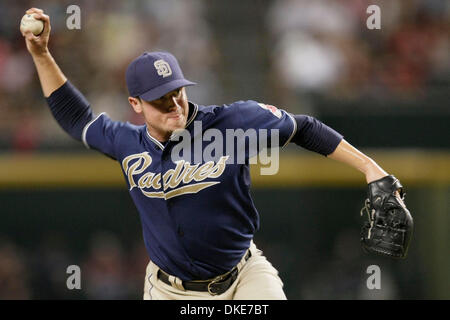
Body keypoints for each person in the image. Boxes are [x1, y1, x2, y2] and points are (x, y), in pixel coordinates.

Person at [21, 8, 404, 300]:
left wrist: (371, 169)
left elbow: (304, 128)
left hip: (243, 279)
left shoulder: (232, 122)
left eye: (177, 92)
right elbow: (76, 118)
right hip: (169, 290)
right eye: (160, 100)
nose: (174, 104)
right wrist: (40, 54)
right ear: (135, 104)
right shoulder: (126, 142)